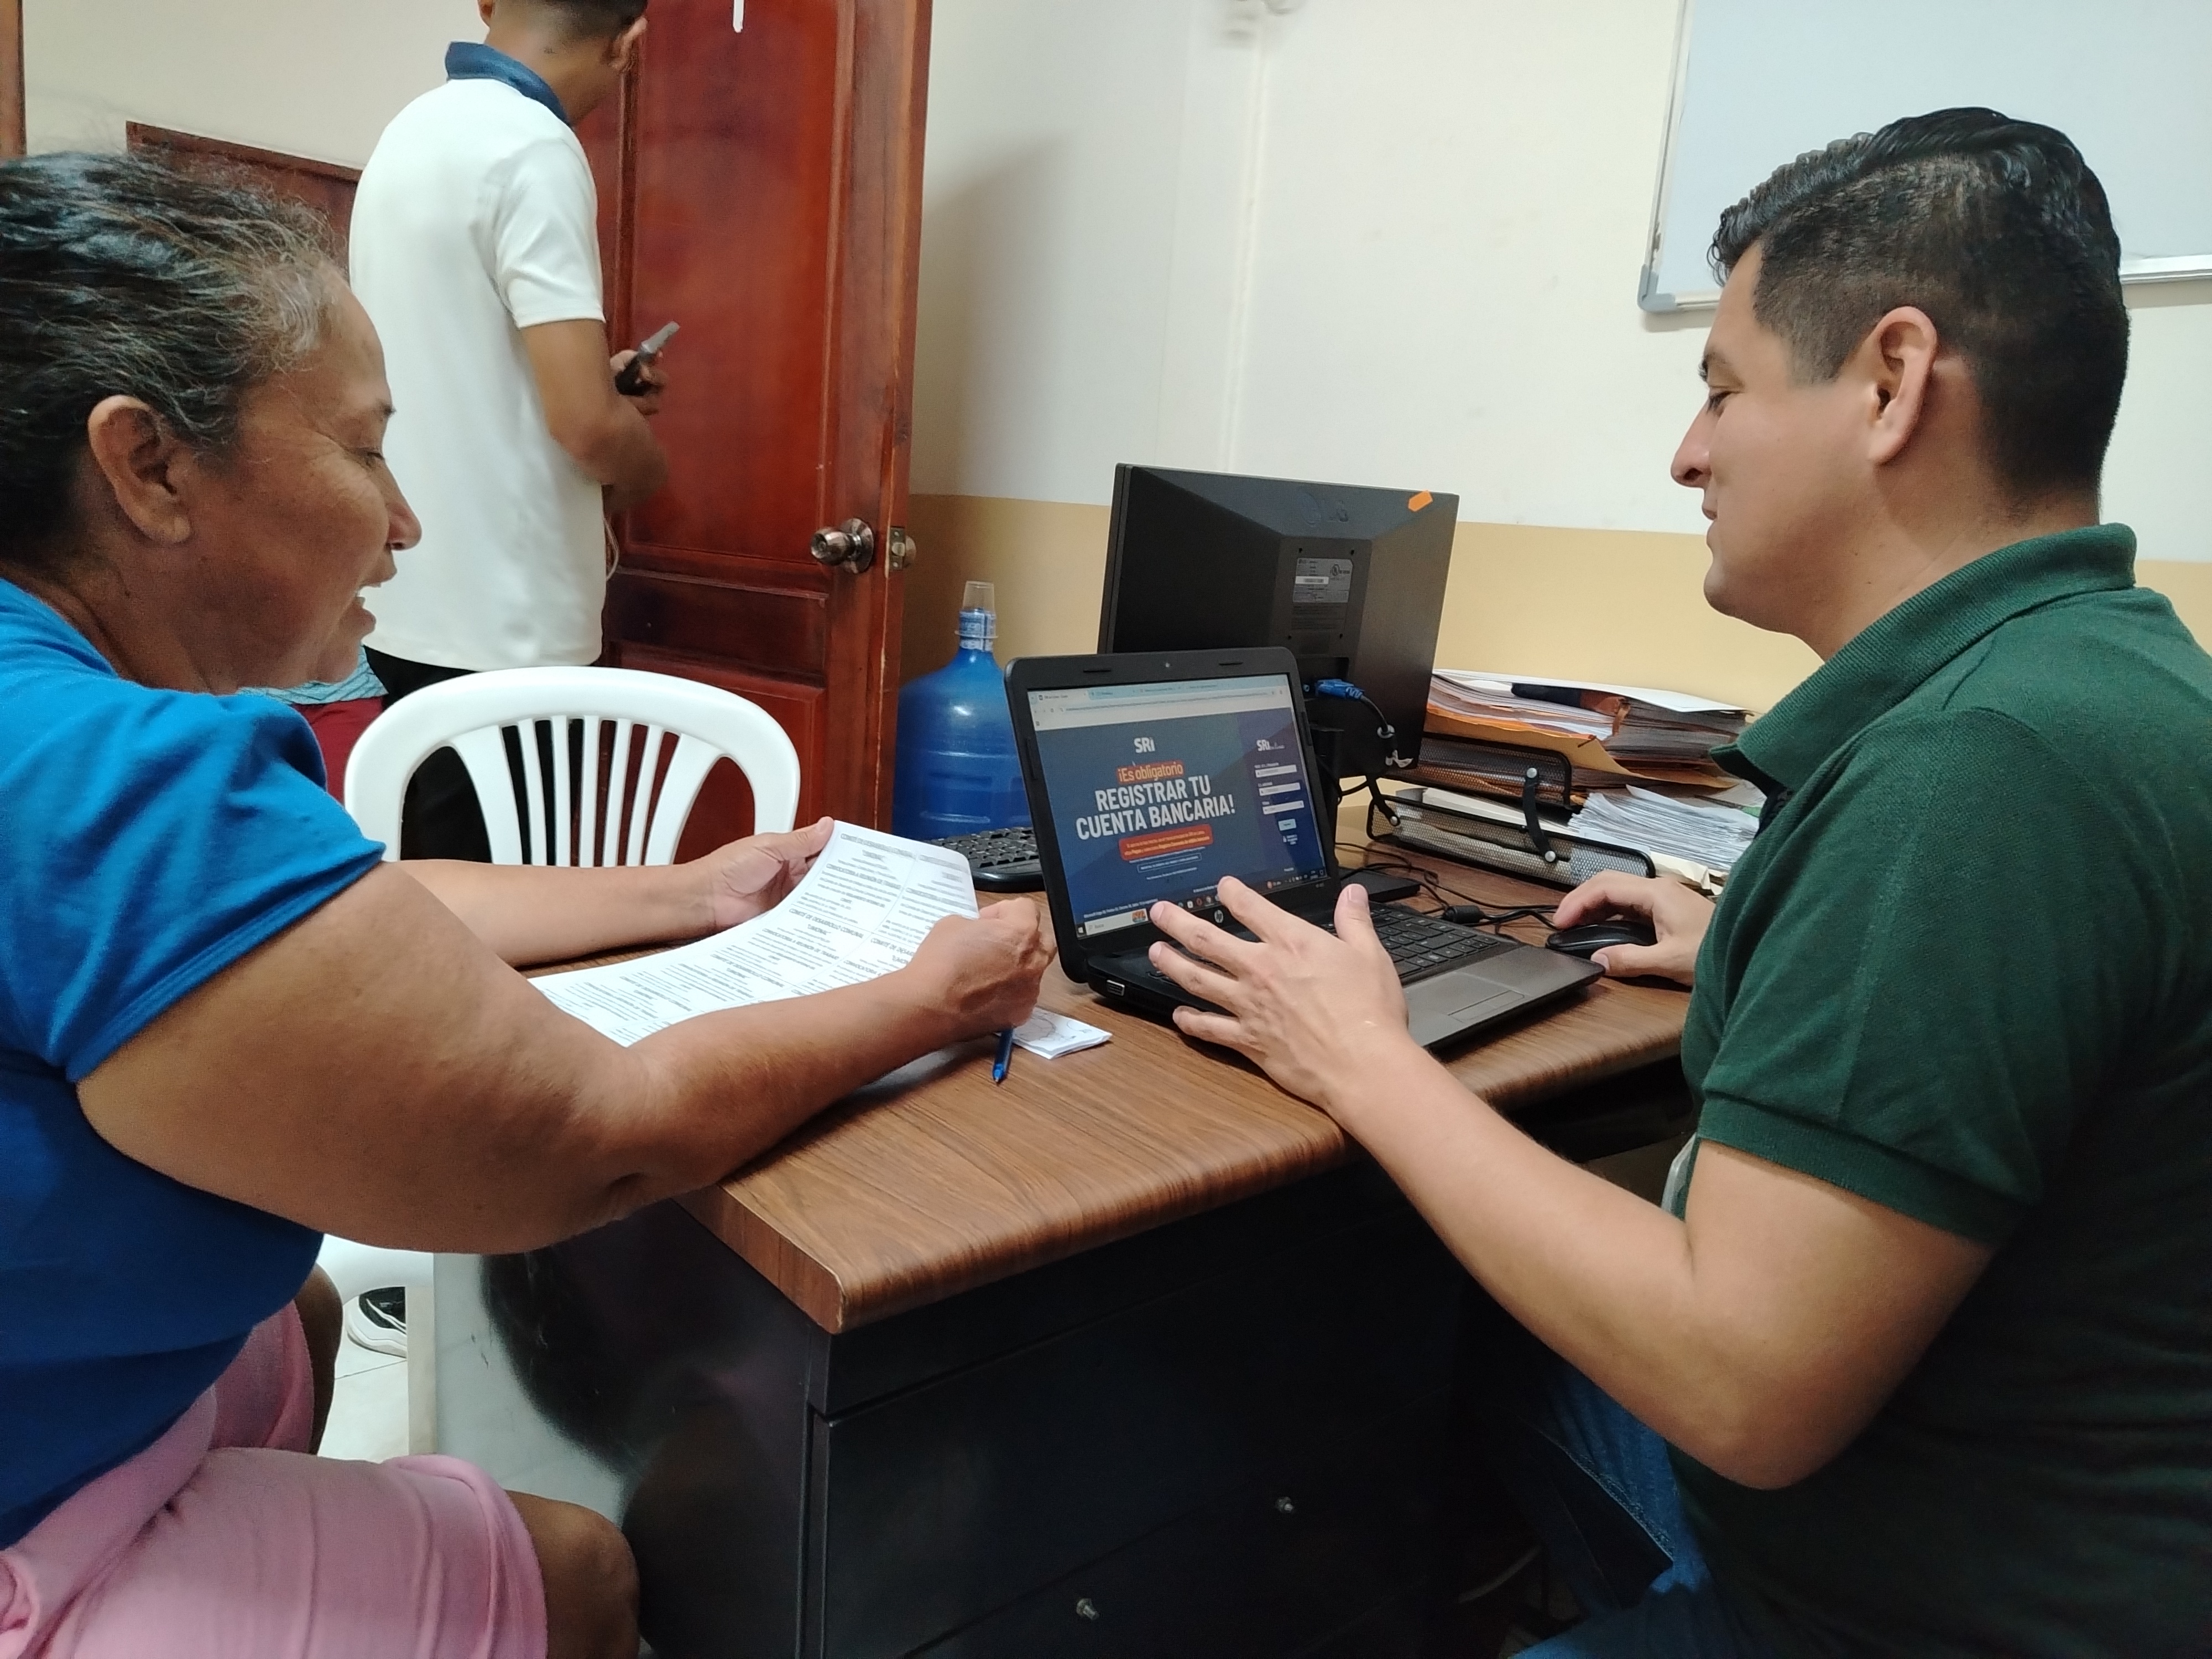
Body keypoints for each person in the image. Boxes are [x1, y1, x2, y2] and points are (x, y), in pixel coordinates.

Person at [1139, 109, 2212, 1656]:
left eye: (1721, 388)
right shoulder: (2116, 680)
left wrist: (1358, 1055)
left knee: (1393, 1273)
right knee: (1452, 1310)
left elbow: (1738, 1386)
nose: (1687, 454)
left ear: (1892, 382)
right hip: (2015, 1516)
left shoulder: (1975, 772)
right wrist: (1767, 955)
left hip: (1909, 1614)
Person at [0, 153, 1048, 1659]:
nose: (403, 521)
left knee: (294, 1325)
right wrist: (926, 1001)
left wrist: (686, 888)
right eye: (366, 451)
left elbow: (331, 923)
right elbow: (602, 1139)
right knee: (585, 1572)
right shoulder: (113, 776)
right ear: (148, 467)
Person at [351, 0, 668, 859]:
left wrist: (589, 387)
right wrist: (644, 463)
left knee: (439, 879)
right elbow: (588, 428)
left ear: (490, 5)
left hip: (409, 602)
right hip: (511, 630)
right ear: (629, 44)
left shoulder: (408, 135)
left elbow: (452, 367)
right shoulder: (534, 146)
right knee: (515, 902)